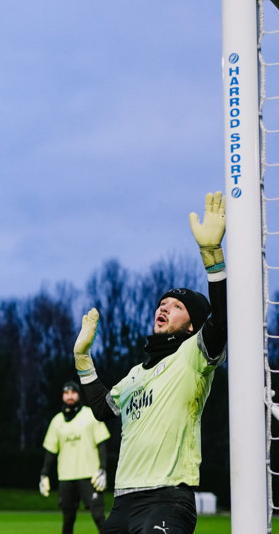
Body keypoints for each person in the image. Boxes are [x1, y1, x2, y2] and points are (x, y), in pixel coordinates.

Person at [72, 191, 227, 534]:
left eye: (176, 306)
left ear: (191, 325)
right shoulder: (134, 375)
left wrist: (212, 256)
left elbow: (221, 322)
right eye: (162, 303)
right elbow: (101, 408)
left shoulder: (193, 355)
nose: (164, 307)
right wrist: (83, 358)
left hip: (167, 499)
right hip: (123, 504)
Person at [40, 380, 111, 534]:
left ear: (78, 395)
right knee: (68, 519)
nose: (69, 396)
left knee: (99, 517)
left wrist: (103, 469)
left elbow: (101, 444)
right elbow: (51, 451)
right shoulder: (57, 421)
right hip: (66, 477)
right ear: (62, 396)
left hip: (89, 475)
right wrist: (44, 474)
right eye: (66, 393)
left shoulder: (90, 414)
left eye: (73, 392)